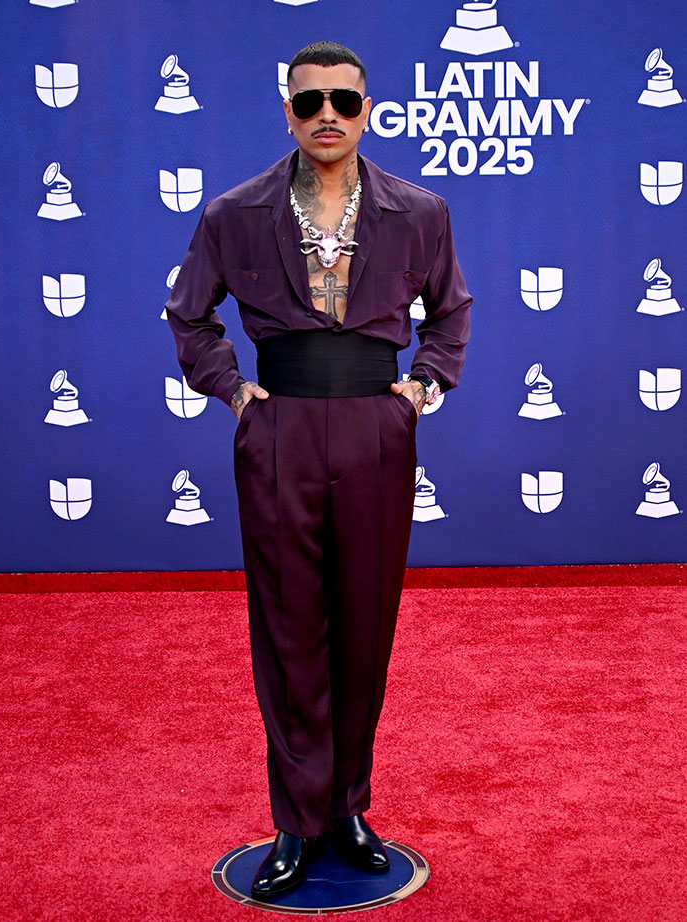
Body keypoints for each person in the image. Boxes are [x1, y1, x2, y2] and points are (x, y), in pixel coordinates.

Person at [166, 40, 472, 900]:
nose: (327, 115)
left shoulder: (420, 211)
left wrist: (418, 390)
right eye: (309, 103)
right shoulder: (234, 213)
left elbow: (451, 312)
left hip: (378, 427)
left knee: (366, 625)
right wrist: (232, 391)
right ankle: (296, 823)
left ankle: (346, 809)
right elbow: (189, 318)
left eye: (343, 99)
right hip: (280, 430)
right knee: (290, 626)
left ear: (367, 108)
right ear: (289, 111)